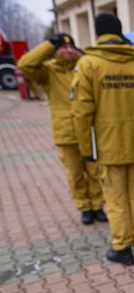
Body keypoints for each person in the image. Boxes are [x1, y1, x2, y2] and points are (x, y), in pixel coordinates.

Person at [71, 13, 134, 266]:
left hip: (108, 146)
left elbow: (81, 112)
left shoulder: (88, 63)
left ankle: (122, 247)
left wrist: (88, 150)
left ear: (97, 34)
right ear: (120, 33)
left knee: (116, 198)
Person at [17, 33, 107, 226]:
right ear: (56, 50)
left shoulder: (83, 66)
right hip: (65, 132)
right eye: (62, 47)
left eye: (70, 47)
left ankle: (97, 205)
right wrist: (48, 44)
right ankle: (84, 207)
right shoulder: (49, 71)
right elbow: (25, 65)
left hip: (89, 131)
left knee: (94, 171)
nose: (67, 50)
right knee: (75, 174)